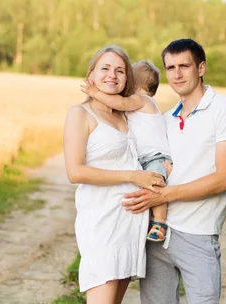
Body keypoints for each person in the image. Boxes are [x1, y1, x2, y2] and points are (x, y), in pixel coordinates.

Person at [122, 38, 226, 303]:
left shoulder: (224, 108)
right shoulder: (164, 119)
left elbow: (225, 179)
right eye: (170, 67)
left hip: (198, 236)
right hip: (156, 235)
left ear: (200, 68)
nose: (177, 74)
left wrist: (163, 197)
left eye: (184, 66)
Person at [63, 45, 166, 304]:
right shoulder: (80, 114)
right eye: (105, 68)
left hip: (130, 225)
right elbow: (75, 172)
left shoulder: (129, 114)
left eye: (120, 70)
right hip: (103, 223)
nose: (113, 75)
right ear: (92, 75)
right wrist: (133, 176)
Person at [80, 59, 173, 242]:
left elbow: (120, 104)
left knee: (156, 185)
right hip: (141, 159)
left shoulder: (142, 100)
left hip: (154, 157)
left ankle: (160, 223)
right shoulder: (138, 106)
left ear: (135, 84)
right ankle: (147, 223)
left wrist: (95, 92)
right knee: (144, 188)